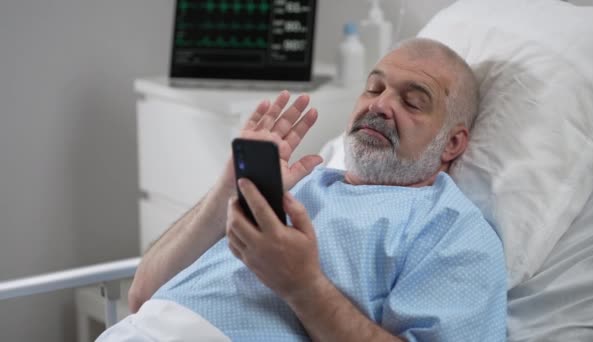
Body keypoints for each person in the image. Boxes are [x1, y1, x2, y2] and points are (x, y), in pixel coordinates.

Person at [99, 38, 506, 341]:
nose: (380, 105)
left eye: (413, 101)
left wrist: (302, 285)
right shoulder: (304, 183)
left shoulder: (453, 231)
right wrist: (227, 190)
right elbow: (141, 293)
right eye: (374, 87)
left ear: (453, 143)